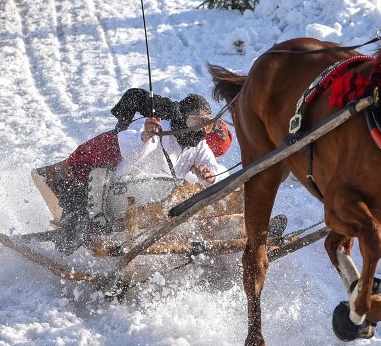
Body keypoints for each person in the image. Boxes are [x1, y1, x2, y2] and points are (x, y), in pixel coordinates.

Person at [33, 92, 233, 254]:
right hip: (123, 195)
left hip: (163, 204)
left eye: (205, 125)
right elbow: (128, 149)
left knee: (193, 187)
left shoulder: (199, 146)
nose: (199, 129)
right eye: (194, 121)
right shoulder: (154, 127)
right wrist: (145, 138)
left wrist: (210, 175)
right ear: (181, 119)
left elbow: (213, 166)